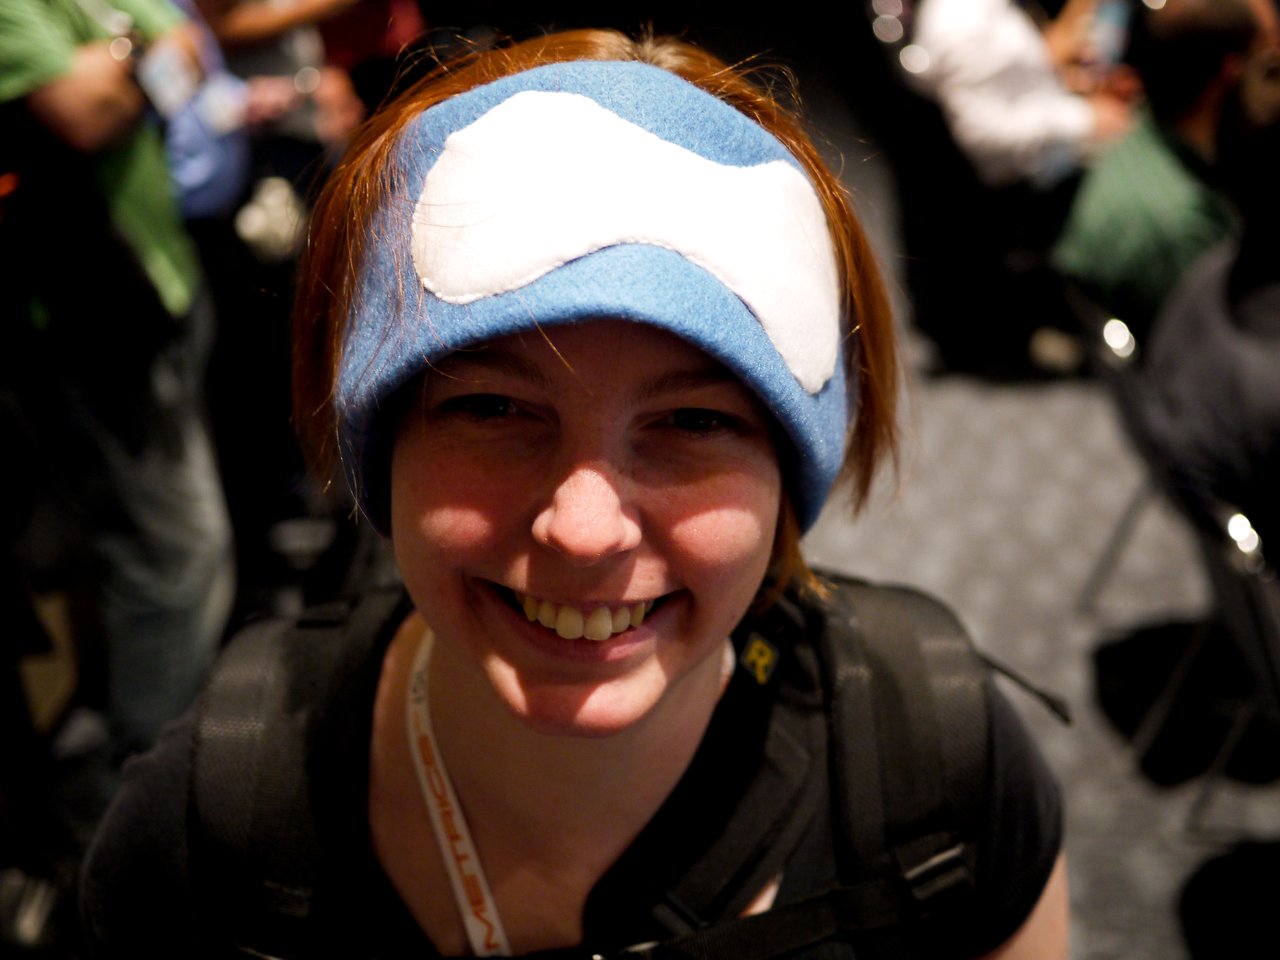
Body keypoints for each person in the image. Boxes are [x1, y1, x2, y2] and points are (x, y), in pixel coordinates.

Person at [81, 29, 1067, 959]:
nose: (585, 531)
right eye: (493, 410)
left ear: (786, 468)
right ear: (380, 444)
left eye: (691, 423)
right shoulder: (210, 823)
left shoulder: (940, 770)